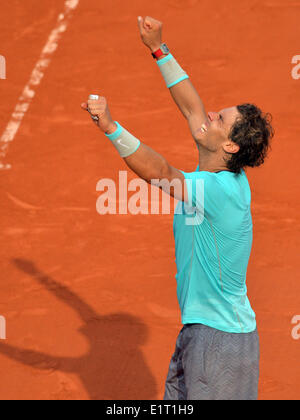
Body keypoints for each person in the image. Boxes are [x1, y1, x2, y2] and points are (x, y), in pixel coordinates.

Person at [81, 16, 274, 400]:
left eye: (220, 119)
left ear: (230, 146)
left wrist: (111, 128)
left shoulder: (215, 190)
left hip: (220, 345)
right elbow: (191, 106)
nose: (210, 115)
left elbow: (161, 172)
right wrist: (158, 48)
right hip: (200, 334)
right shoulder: (220, 171)